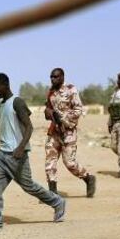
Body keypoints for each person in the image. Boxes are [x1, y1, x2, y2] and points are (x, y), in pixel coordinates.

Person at [0, 73, 66, 231]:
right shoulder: (1, 104)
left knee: (29, 186)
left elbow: (29, 127)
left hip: (16, 155)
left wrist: (20, 147)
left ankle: (58, 202)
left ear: (6, 85)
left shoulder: (17, 102)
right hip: (2, 154)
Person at [44, 68, 96, 197]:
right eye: (51, 77)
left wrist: (63, 120)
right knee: (50, 161)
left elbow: (79, 110)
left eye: (55, 77)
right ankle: (52, 192)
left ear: (62, 77)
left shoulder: (71, 90)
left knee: (70, 163)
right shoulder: (51, 92)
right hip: (54, 131)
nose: (52, 79)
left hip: (68, 132)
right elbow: (48, 110)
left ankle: (88, 178)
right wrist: (48, 113)